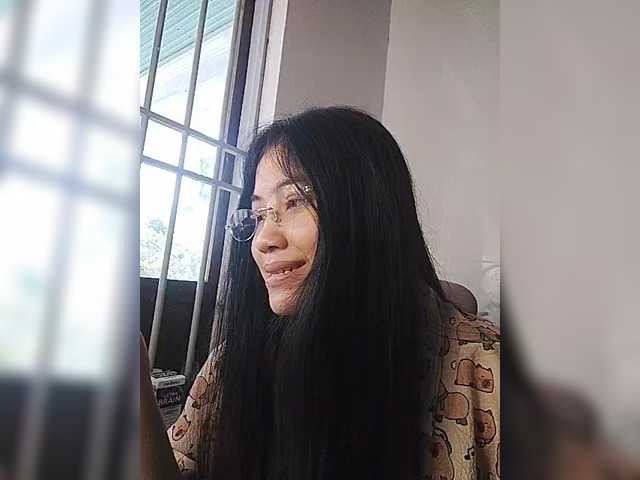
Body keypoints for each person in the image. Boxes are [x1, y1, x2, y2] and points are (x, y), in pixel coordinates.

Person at [141, 106, 501, 480]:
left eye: (295, 201)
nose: (263, 240)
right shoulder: (231, 364)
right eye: (259, 214)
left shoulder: (488, 368)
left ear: (369, 207)